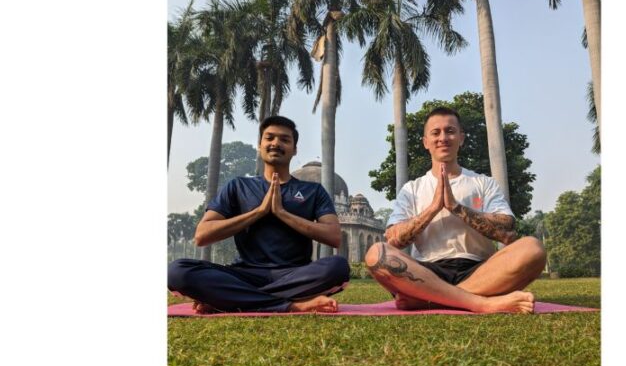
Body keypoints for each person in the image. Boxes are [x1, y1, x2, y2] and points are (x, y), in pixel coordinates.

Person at [365, 107, 546, 313]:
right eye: (436, 132)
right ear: (426, 142)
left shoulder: (482, 183)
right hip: (427, 272)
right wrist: (433, 208)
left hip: (480, 271)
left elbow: (507, 230)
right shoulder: (412, 189)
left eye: (450, 131)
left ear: (461, 138)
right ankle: (481, 303)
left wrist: (456, 208)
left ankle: (433, 300)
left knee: (533, 248)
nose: (443, 138)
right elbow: (394, 240)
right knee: (376, 254)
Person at [168, 116, 349, 313]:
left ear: (295, 149)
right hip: (243, 274)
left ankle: (230, 299)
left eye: (284, 139)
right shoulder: (239, 186)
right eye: (269, 138)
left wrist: (282, 213)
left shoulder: (313, 190)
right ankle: (291, 305)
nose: (276, 143)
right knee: (177, 272)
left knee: (338, 267)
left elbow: (334, 236)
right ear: (259, 145)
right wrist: (259, 212)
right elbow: (202, 235)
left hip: (295, 275)